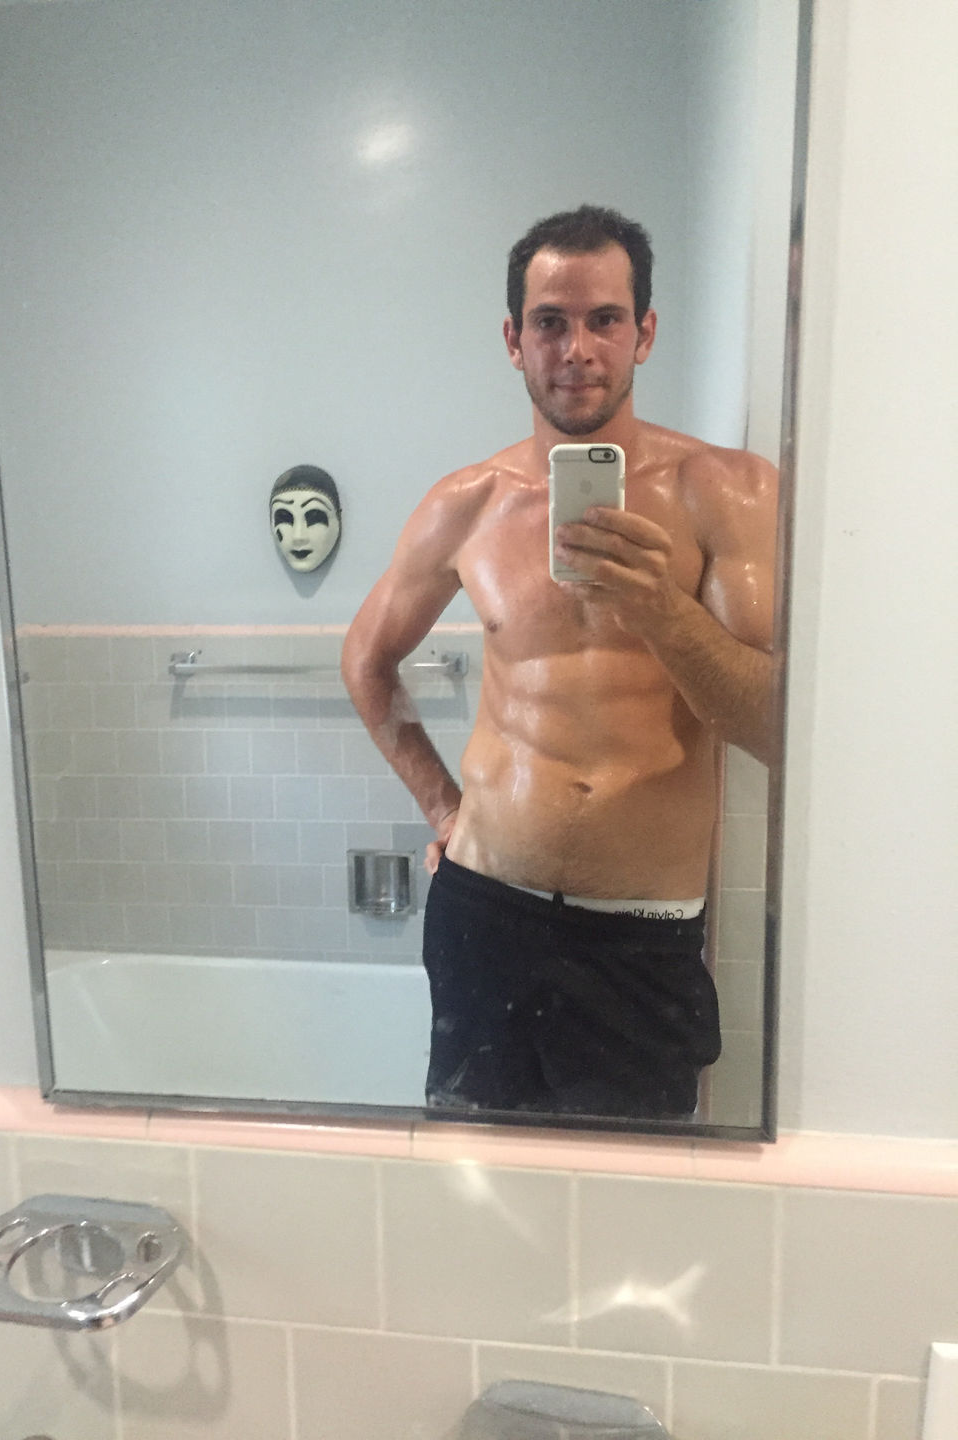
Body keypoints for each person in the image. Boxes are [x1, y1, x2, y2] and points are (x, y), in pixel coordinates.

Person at [341, 205, 777, 1119]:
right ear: (514, 340)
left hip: (639, 939)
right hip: (483, 915)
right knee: (473, 1185)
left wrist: (663, 614)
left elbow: (776, 729)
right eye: (550, 322)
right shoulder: (467, 504)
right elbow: (367, 660)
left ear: (644, 333)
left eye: (603, 319)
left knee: (628, 1201)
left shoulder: (726, 492)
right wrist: (442, 806)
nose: (576, 349)